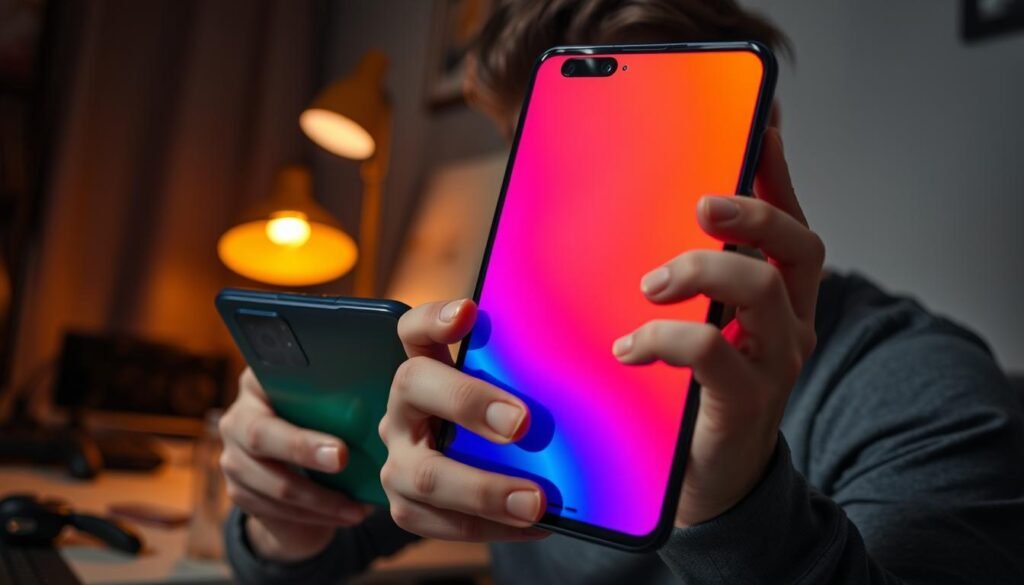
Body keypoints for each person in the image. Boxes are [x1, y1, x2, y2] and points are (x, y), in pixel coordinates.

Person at [218, 1, 1024, 583]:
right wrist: (286, 513)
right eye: (544, 153)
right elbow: (311, 555)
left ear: (757, 143)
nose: (575, 207)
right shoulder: (513, 348)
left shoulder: (917, 385)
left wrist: (733, 504)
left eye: (631, 154)